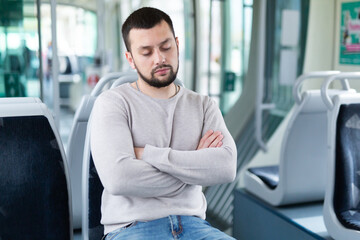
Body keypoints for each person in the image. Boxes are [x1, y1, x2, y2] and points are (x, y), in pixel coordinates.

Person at [90, 7, 237, 239]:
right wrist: (193, 168)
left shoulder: (203, 105)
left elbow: (226, 167)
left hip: (195, 226)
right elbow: (120, 179)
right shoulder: (112, 103)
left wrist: (148, 154)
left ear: (177, 44)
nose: (159, 58)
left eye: (166, 47)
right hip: (132, 228)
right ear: (131, 59)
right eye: (146, 52)